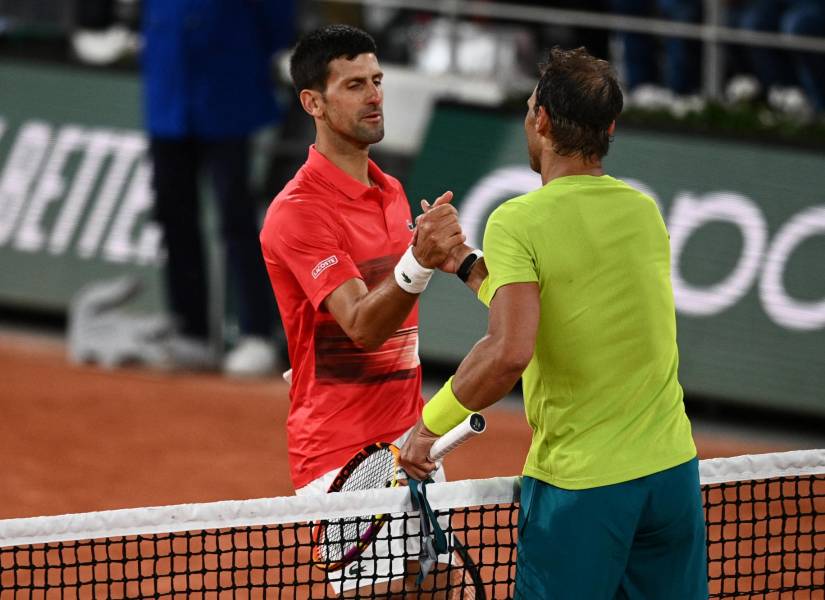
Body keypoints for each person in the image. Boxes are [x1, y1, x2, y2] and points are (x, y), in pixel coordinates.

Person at [400, 47, 707, 598]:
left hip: (582, 488)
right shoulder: (643, 211)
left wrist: (429, 427)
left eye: (527, 108)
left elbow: (509, 350)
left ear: (540, 120)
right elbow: (560, 302)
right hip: (672, 479)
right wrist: (468, 266)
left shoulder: (519, 219)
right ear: (608, 127)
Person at [259, 25, 465, 596]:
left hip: (413, 441)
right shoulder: (297, 212)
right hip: (345, 458)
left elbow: (388, 297)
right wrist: (418, 262)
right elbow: (362, 327)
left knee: (444, 589)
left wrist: (450, 258)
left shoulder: (392, 189)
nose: (375, 95)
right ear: (313, 103)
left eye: (376, 80)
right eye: (354, 85)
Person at [142, 0, 293, 376]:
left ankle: (257, 332)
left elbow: (278, 22)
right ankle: (190, 330)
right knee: (174, 214)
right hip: (167, 89)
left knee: (238, 219)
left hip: (230, 93)